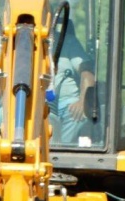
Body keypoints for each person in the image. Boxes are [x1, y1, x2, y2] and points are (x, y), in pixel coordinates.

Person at [48, 10, 96, 145]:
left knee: (79, 115)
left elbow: (87, 72)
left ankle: (63, 150)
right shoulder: (21, 45)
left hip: (65, 103)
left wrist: (82, 101)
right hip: (33, 102)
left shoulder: (68, 42)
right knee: (1, 117)